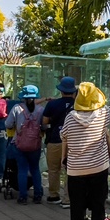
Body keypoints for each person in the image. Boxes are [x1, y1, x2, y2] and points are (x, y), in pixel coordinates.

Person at [61, 82, 110, 220]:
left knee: (77, 206)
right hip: (98, 168)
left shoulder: (70, 117)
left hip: (75, 170)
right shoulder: (103, 114)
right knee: (98, 204)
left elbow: (64, 136)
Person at [41, 76, 78, 208]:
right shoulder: (78, 105)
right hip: (73, 142)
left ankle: (53, 195)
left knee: (53, 170)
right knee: (70, 171)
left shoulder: (52, 104)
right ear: (74, 91)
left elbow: (44, 122)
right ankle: (67, 199)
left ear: (61, 90)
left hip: (55, 140)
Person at [6, 84, 45, 204]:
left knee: (22, 170)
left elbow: (8, 124)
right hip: (35, 144)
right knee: (35, 169)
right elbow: (44, 126)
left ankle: (23, 196)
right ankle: (38, 195)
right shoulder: (41, 109)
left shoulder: (17, 108)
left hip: (20, 144)